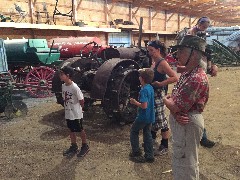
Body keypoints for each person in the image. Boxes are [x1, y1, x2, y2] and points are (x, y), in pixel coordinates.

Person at [164, 35, 209, 179]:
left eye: (182, 50)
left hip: (187, 122)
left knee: (186, 162)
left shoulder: (196, 77)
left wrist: (166, 101)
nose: (178, 54)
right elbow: (176, 102)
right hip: (183, 120)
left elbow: (176, 105)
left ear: (194, 54)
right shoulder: (187, 72)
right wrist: (175, 109)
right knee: (180, 159)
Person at [177, 16, 217, 148]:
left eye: (206, 26)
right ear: (199, 24)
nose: (205, 28)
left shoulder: (202, 36)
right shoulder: (189, 34)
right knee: (190, 106)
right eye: (203, 26)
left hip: (200, 68)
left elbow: (207, 51)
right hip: (193, 68)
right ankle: (199, 136)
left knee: (195, 105)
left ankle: (200, 135)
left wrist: (212, 65)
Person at [147, 40, 178, 155]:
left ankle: (164, 145)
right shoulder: (154, 61)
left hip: (159, 94)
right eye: (148, 51)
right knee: (153, 116)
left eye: (152, 51)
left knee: (161, 119)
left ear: (158, 50)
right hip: (152, 93)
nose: (150, 53)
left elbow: (174, 77)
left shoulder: (162, 63)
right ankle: (151, 140)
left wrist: (161, 84)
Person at [59, 66, 89, 157]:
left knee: (80, 129)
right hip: (68, 112)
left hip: (76, 113)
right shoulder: (63, 86)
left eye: (62, 74)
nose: (60, 76)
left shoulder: (75, 87)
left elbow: (81, 100)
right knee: (71, 129)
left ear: (68, 75)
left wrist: (80, 109)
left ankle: (85, 146)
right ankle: (74, 146)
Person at [129, 68, 155, 163]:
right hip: (150, 116)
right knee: (147, 133)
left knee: (134, 131)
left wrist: (134, 102)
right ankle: (149, 155)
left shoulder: (144, 90)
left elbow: (144, 106)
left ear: (142, 78)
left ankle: (136, 152)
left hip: (143, 116)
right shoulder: (150, 87)